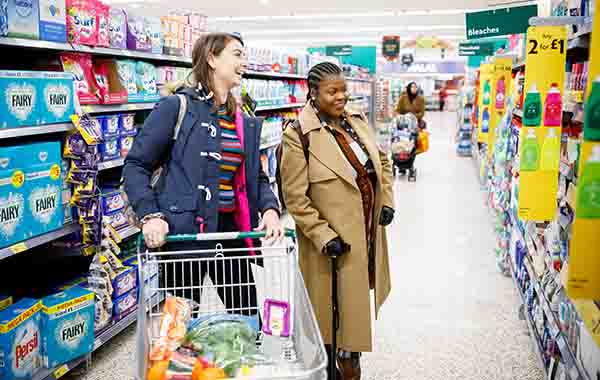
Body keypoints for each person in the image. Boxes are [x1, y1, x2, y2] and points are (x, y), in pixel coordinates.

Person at [123, 32, 283, 314]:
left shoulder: (241, 118)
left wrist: (270, 209)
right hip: (185, 232)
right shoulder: (176, 107)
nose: (244, 61)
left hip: (230, 233)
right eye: (237, 54)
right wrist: (150, 216)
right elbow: (136, 165)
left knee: (246, 320)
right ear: (211, 58)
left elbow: (255, 176)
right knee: (178, 331)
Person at [280, 62, 395, 380]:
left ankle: (351, 361)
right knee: (331, 320)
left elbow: (381, 161)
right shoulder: (298, 135)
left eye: (343, 89)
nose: (341, 96)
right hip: (330, 249)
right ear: (313, 93)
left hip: (365, 238)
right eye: (332, 91)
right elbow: (295, 197)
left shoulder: (356, 121)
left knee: (353, 315)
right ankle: (332, 367)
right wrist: (321, 234)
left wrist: (386, 198)